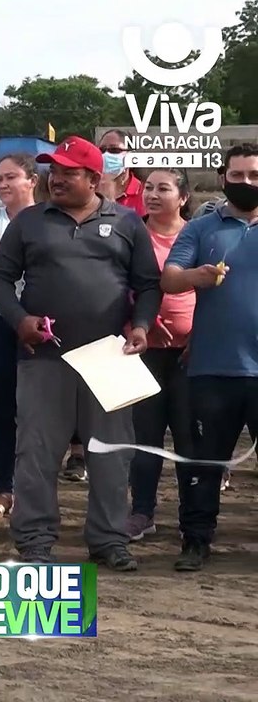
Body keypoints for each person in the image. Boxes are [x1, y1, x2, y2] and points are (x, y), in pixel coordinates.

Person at [0, 135, 161, 571]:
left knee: (111, 454)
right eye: (53, 170)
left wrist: (140, 326)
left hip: (109, 357)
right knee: (38, 453)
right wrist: (19, 319)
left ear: (95, 179)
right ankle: (35, 540)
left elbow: (150, 285)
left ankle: (108, 540)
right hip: (46, 357)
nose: (56, 179)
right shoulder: (30, 222)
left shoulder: (126, 222)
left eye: (68, 172)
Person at [161, 142, 258, 571]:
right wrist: (195, 277)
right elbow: (169, 279)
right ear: (223, 177)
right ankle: (195, 541)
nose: (246, 183)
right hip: (213, 369)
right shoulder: (202, 229)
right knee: (205, 461)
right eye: (237, 175)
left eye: (254, 176)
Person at [124, 168, 197, 544]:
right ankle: (142, 512)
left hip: (192, 353)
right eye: (148, 187)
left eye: (163, 189)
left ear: (182, 197)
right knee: (145, 436)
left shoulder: (197, 235)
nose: (152, 195)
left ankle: (192, 516)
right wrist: (137, 323)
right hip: (144, 349)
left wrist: (201, 333)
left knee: (189, 438)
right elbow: (119, 286)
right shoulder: (132, 234)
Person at [0, 154, 40, 521]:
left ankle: (33, 489)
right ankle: (5, 488)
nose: (2, 185)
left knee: (39, 413)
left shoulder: (47, 219)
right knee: (3, 411)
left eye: (11, 177)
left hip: (37, 322)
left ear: (32, 180)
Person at [97, 129, 145, 217]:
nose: (106, 155)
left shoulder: (145, 193)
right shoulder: (90, 191)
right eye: (102, 150)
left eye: (114, 150)